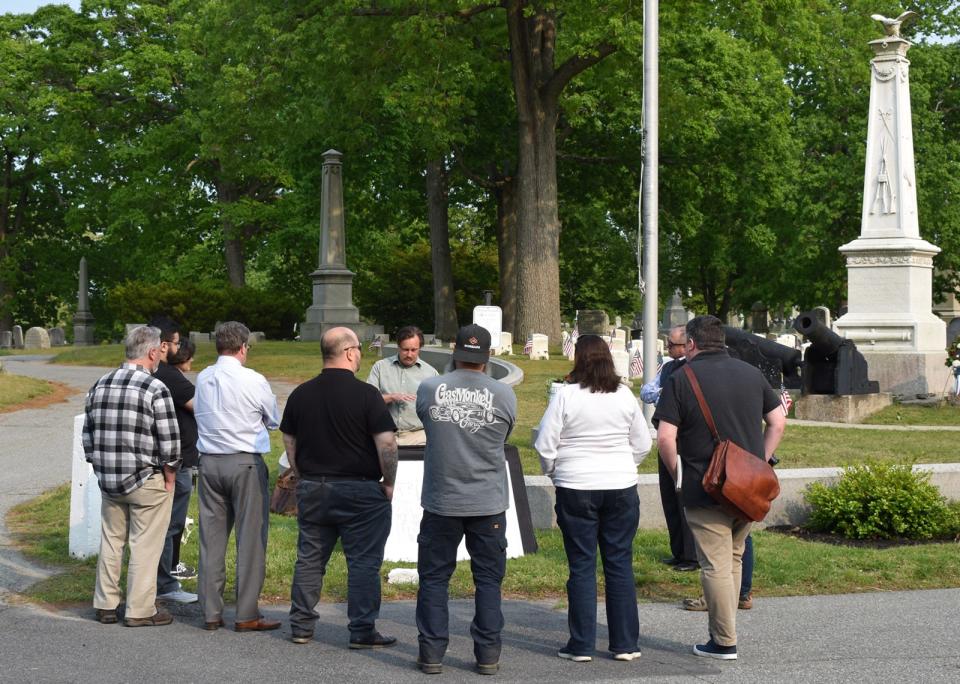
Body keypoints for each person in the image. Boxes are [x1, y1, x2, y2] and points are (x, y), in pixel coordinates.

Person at [654, 315, 785, 661]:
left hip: (704, 485)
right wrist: (762, 460)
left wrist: (677, 474)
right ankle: (727, 630)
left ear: (693, 344)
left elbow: (666, 437)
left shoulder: (682, 379)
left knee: (714, 565)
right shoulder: (751, 374)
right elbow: (777, 421)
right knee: (735, 556)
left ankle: (724, 640)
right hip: (747, 486)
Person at [534, 334, 652, 663]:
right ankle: (626, 643)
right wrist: (626, 465)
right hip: (620, 485)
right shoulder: (624, 395)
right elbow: (642, 442)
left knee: (582, 566)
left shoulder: (566, 396)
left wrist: (554, 472)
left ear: (579, 359)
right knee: (619, 565)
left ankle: (582, 644)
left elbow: (546, 444)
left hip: (576, 484)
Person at [281, 326, 399, 649]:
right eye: (359, 348)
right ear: (349, 352)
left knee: (309, 558)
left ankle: (301, 626)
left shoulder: (300, 394)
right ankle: (361, 630)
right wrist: (388, 483)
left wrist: (301, 474)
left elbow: (289, 441)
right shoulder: (367, 395)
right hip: (360, 491)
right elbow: (386, 444)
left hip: (314, 488)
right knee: (363, 561)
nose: (360, 354)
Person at [414, 324, 517, 676]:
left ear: (454, 352)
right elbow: (505, 433)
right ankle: (487, 655)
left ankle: (431, 654)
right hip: (487, 500)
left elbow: (426, 423)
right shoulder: (504, 394)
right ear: (488, 357)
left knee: (434, 579)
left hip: (442, 499)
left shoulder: (429, 388)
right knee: (488, 581)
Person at [82, 325, 180, 627]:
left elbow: (88, 437)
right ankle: (140, 609)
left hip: (110, 479)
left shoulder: (100, 384)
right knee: (145, 545)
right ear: (152, 352)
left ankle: (106, 604)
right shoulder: (155, 388)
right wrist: (170, 476)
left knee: (112, 541)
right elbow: (170, 442)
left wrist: (100, 467)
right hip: (146, 478)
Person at [194, 321, 280, 632]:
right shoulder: (252, 379)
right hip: (244, 462)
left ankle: (210, 612)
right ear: (243, 347)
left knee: (211, 540)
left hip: (209, 463)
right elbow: (273, 420)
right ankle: (246, 613)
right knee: (251, 540)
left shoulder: (203, 378)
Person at [641, 325, 698, 572]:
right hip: (667, 436)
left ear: (687, 344)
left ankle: (691, 556)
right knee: (669, 497)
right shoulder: (668, 367)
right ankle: (678, 551)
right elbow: (648, 392)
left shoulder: (693, 369)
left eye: (673, 344)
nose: (668, 348)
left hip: (685, 440)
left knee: (684, 497)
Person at [149, 318, 198, 605]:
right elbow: (201, 405)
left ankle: (165, 576)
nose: (180, 349)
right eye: (177, 343)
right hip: (175, 462)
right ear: (164, 345)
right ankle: (165, 584)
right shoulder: (168, 375)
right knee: (171, 524)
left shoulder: (161, 373)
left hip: (173, 459)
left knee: (170, 524)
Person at [366, 325, 438, 445]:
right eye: (405, 349)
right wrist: (391, 397)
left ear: (420, 348)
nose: (409, 354)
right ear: (398, 347)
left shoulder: (431, 373)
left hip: (418, 437)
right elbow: (368, 401)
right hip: (384, 435)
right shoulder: (380, 367)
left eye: (414, 350)